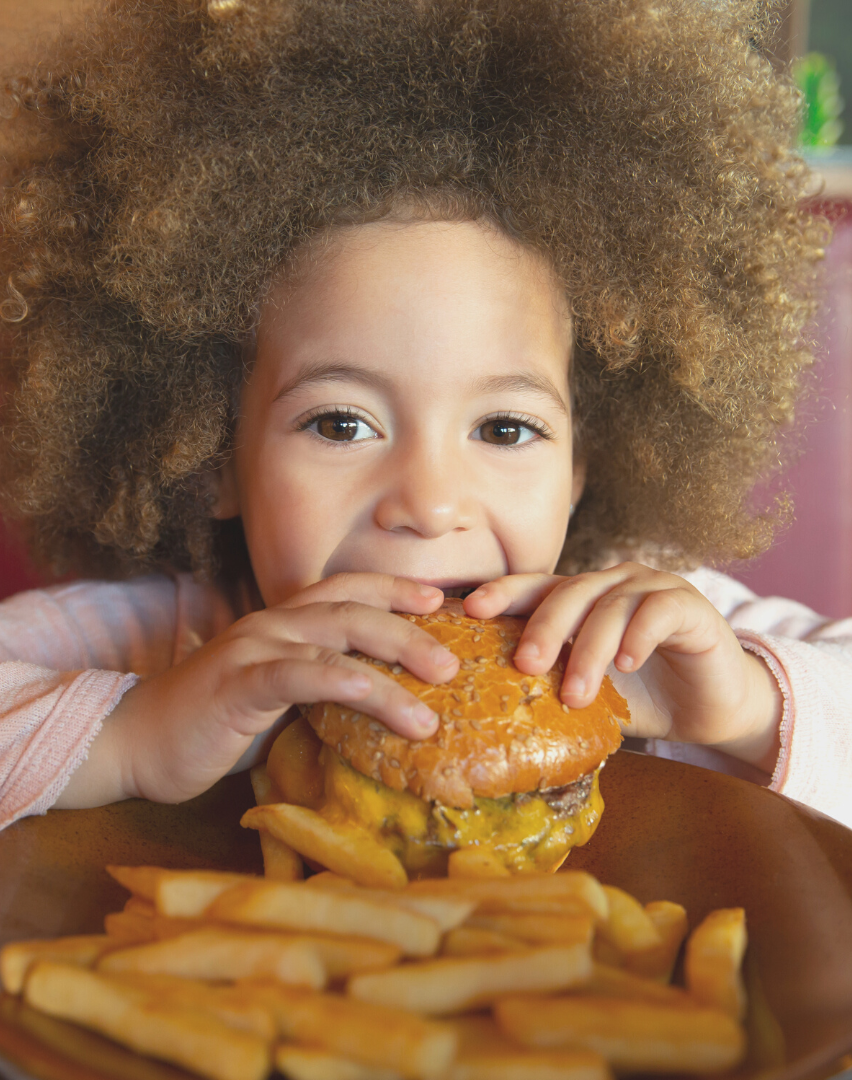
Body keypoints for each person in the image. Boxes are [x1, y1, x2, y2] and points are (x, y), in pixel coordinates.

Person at [1, 0, 848, 834]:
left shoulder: (638, 636)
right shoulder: (157, 639)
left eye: (505, 429)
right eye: (341, 424)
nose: (431, 503)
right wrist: (130, 736)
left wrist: (742, 703)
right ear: (216, 454)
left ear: (582, 464)